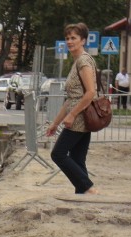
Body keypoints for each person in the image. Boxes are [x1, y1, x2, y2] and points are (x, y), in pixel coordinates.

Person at [46, 23, 99, 196]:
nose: (69, 41)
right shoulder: (77, 61)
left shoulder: (83, 61)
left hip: (80, 117)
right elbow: (70, 98)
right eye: (67, 38)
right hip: (80, 115)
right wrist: (55, 123)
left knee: (58, 154)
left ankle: (89, 188)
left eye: (74, 38)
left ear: (83, 40)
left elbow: (90, 92)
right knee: (77, 159)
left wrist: (72, 115)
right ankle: (82, 195)